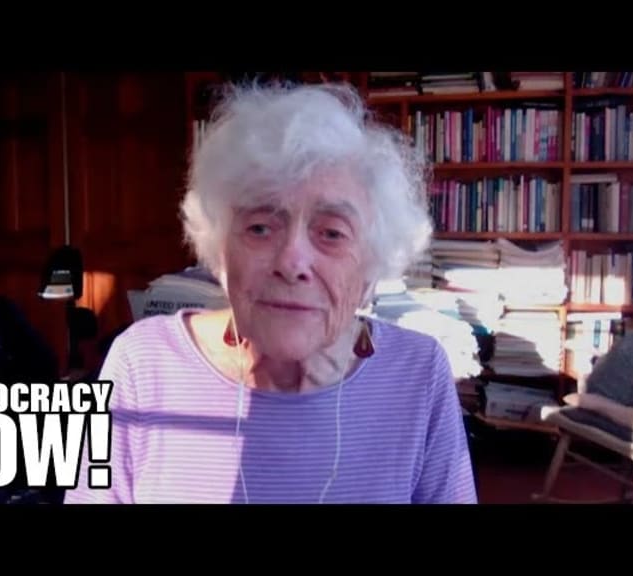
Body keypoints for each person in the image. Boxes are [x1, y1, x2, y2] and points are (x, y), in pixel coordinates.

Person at [64, 80, 477, 504]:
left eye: (331, 233)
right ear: (219, 250)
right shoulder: (141, 363)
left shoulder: (418, 373)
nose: (291, 261)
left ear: (372, 268)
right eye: (260, 227)